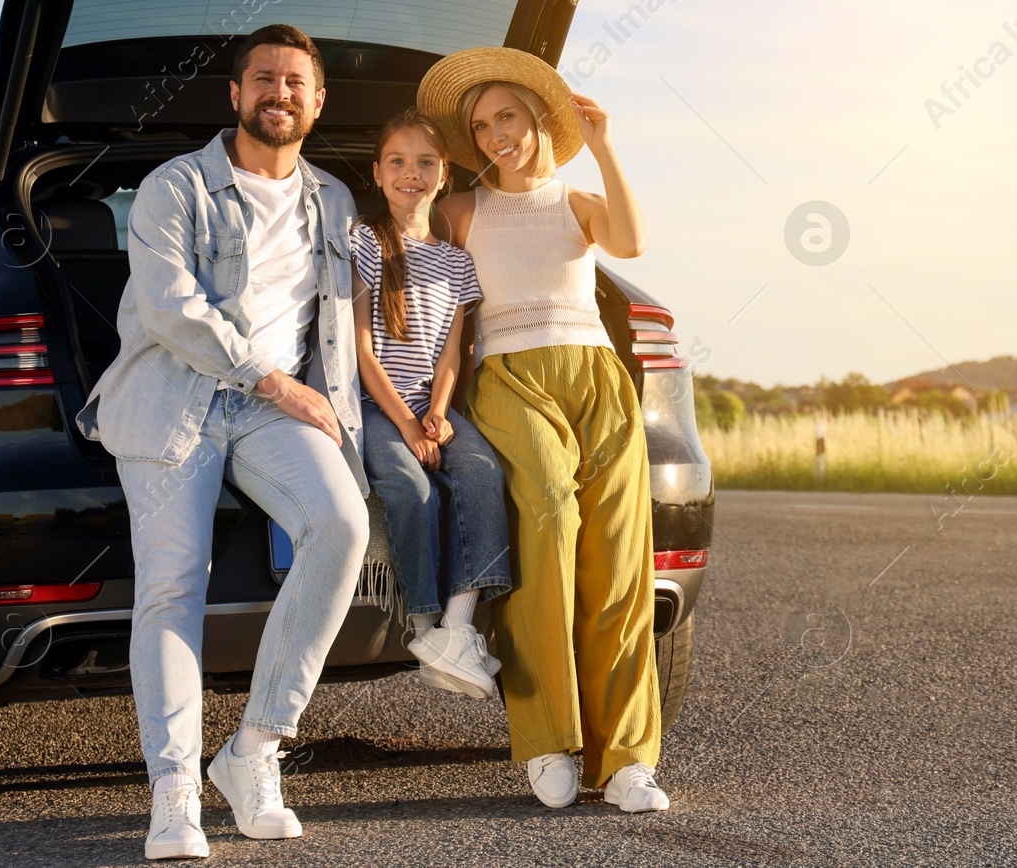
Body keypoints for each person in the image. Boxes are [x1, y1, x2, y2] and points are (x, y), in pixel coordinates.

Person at [75, 25, 371, 860]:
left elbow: (343, 329)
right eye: (264, 80)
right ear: (235, 95)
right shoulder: (175, 187)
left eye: (295, 82)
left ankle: (252, 752)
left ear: (318, 101)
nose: (280, 93)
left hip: (276, 410)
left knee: (341, 527)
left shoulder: (334, 200)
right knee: (173, 584)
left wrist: (347, 420)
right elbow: (171, 308)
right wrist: (274, 381)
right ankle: (173, 793)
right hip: (175, 399)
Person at [418, 47, 670, 813]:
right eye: (482, 124)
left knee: (620, 561)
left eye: (508, 118)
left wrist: (603, 143)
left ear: (538, 123)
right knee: (549, 525)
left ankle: (627, 761)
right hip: (511, 378)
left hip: (598, 378)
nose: (496, 134)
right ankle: (548, 740)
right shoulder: (462, 210)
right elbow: (429, 304)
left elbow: (630, 245)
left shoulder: (577, 200)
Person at [351, 107, 512, 699]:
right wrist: (408, 425)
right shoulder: (364, 244)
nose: (410, 173)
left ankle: (458, 627)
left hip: (430, 404)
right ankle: (423, 627)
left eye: (424, 163)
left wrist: (439, 414)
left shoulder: (457, 262)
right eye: (397, 161)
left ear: (444, 175)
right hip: (378, 405)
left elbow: (453, 354)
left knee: (481, 472)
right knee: (409, 484)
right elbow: (363, 354)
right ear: (378, 171)